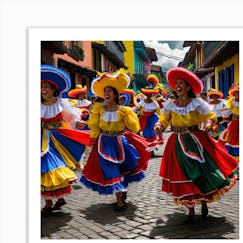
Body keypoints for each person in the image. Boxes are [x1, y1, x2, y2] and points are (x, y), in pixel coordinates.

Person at [154, 67, 239, 222]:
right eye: (176, 83)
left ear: (188, 87)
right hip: (177, 142)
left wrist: (208, 123)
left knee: (201, 171)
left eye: (181, 83)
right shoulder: (170, 104)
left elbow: (210, 115)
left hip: (196, 139)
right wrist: (159, 126)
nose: (178, 86)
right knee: (183, 173)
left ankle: (204, 202)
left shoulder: (197, 103)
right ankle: (191, 209)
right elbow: (164, 120)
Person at [80, 70, 151, 211]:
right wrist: (87, 127)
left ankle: (122, 190)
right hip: (104, 143)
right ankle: (119, 199)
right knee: (110, 169)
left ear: (116, 94)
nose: (106, 93)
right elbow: (95, 126)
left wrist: (129, 119)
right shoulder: (99, 110)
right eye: (105, 91)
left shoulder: (124, 110)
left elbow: (134, 127)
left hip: (119, 142)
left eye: (109, 91)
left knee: (122, 169)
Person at [41, 64, 90, 217]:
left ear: (54, 89)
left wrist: (78, 124)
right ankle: (56, 199)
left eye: (46, 86)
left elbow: (71, 119)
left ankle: (49, 204)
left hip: (58, 140)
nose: (43, 89)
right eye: (41, 86)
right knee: (45, 170)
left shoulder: (61, 103)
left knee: (50, 169)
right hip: (40, 139)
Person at [137, 87, 163, 155]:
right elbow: (137, 110)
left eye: (150, 95)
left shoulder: (154, 103)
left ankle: (153, 149)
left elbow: (158, 112)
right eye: (147, 94)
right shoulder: (141, 103)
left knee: (153, 133)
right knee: (146, 134)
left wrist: (160, 120)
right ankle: (150, 150)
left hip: (153, 119)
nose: (149, 96)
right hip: (144, 120)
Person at [219, 84, 240, 160]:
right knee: (231, 137)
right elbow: (227, 109)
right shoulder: (231, 101)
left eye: (239, 93)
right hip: (234, 122)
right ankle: (231, 155)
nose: (238, 94)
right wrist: (223, 110)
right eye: (237, 93)